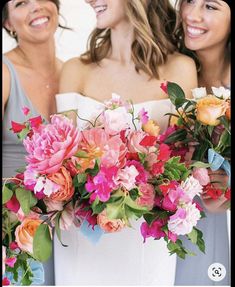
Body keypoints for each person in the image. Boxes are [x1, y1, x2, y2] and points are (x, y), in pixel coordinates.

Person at [54, 0, 198, 285]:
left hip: (146, 244)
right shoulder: (74, 71)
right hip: (81, 242)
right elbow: (61, 165)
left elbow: (182, 166)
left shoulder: (181, 69)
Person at [2, 0, 65, 285]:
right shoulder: (5, 73)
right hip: (13, 232)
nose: (36, 7)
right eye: (21, 3)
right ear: (7, 23)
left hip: (66, 231)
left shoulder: (75, 73)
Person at [173, 0, 231, 285]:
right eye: (189, 1)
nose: (192, 15)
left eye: (210, 6)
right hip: (172, 225)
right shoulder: (167, 71)